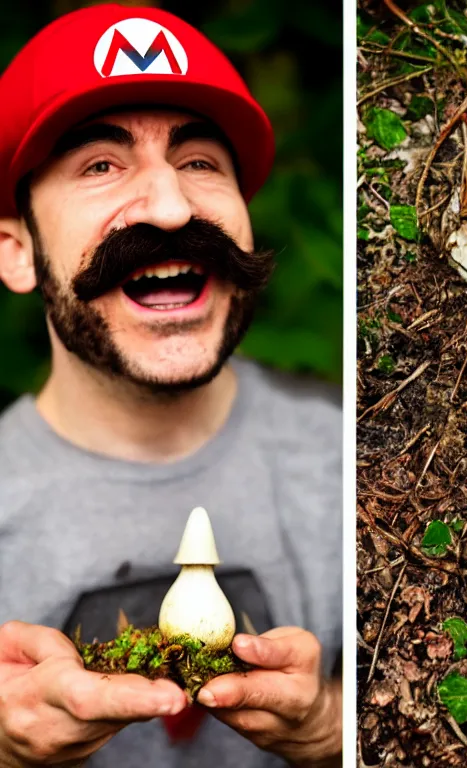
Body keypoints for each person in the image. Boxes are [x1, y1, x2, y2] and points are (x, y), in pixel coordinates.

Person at [0, 4, 342, 767]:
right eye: (100, 164)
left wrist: (329, 731)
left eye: (199, 162)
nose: (172, 205)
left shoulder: (348, 455)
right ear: (15, 251)